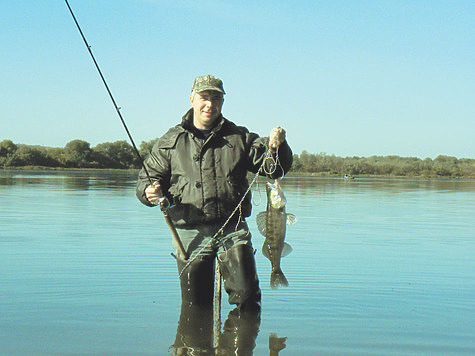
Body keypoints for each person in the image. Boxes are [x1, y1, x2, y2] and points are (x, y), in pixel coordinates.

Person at [136, 74, 293, 315]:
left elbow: (274, 169)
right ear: (192, 99)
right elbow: (147, 179)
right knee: (195, 308)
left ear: (222, 102)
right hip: (189, 231)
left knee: (248, 302)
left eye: (216, 98)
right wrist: (149, 192)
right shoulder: (170, 141)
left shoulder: (239, 137)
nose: (210, 104)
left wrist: (277, 146)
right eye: (204, 97)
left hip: (233, 230)